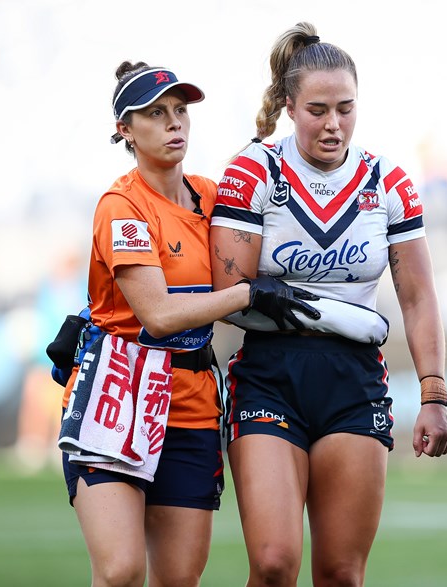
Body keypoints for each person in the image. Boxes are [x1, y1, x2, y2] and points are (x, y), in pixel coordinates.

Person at [209, 22, 447, 586]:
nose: (333, 124)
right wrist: (315, 309)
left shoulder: (388, 181)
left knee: (342, 574)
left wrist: (434, 393)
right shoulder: (252, 172)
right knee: (273, 564)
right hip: (271, 375)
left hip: (354, 381)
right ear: (290, 107)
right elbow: (228, 295)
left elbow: (417, 297)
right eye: (317, 110)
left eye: (345, 108)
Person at [59, 60, 317, 587]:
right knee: (122, 571)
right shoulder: (122, 205)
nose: (175, 122)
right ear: (124, 131)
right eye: (155, 113)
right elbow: (157, 315)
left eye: (180, 111)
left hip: (192, 403)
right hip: (119, 394)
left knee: (178, 579)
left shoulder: (209, 195)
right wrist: (246, 294)